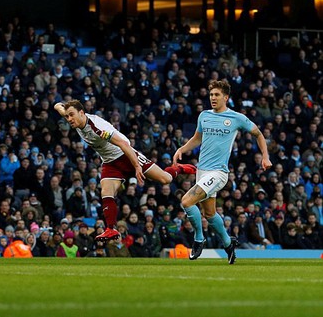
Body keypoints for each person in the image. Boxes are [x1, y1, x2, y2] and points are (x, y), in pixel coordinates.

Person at [54, 100, 196, 241]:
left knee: (165, 179)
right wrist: (60, 107)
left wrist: (136, 166)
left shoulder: (97, 128)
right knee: (106, 191)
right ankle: (111, 229)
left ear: (81, 113)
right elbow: (60, 108)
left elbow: (123, 144)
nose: (69, 119)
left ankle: (178, 168)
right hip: (110, 162)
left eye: (71, 115)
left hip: (126, 155)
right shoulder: (76, 120)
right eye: (67, 116)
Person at [173, 79, 272, 264]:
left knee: (186, 202)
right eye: (211, 94)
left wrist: (265, 156)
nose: (213, 97)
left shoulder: (236, 118)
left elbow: (258, 134)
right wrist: (182, 149)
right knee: (210, 214)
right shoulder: (204, 115)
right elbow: (197, 138)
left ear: (226, 97)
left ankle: (198, 239)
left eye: (217, 94)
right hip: (202, 171)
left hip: (218, 173)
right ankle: (228, 245)